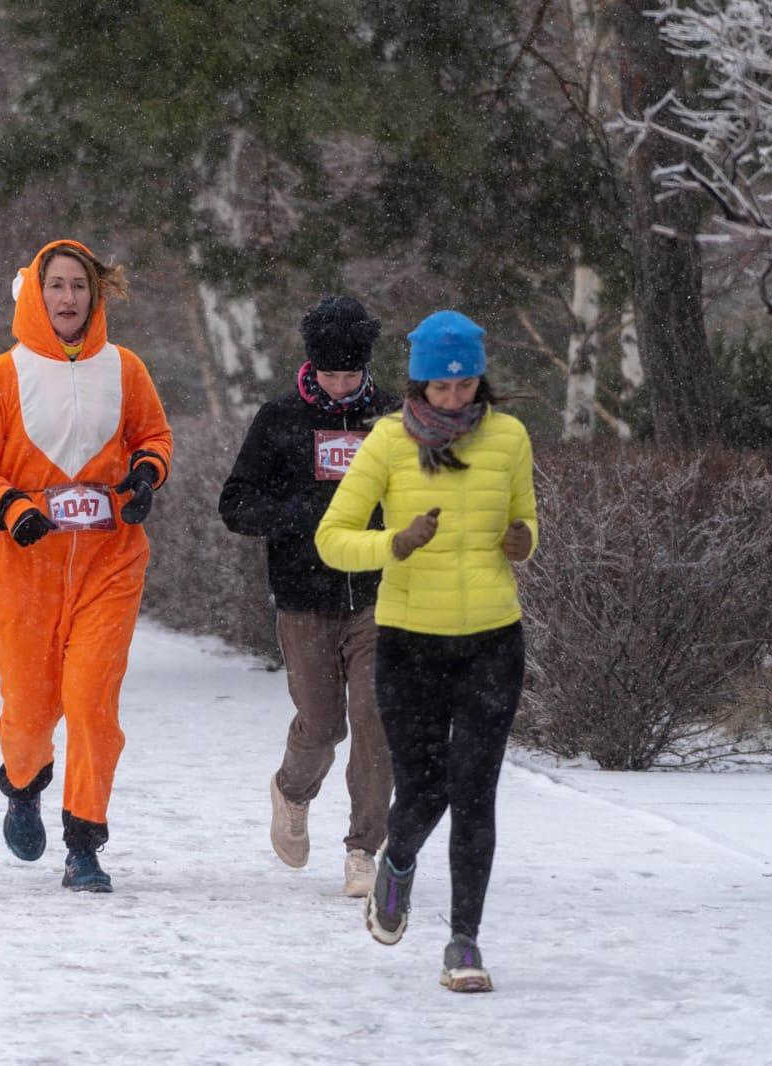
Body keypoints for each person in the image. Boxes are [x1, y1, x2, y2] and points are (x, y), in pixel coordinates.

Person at [315, 309, 538, 994]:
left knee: (475, 791)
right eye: (440, 389)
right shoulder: (385, 443)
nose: (453, 398)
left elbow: (525, 518)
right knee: (425, 787)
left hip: (491, 640)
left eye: (465, 385)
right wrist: (393, 545)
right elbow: (333, 537)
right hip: (410, 642)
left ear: (480, 378)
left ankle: (463, 942)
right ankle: (399, 861)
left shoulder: (508, 437)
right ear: (416, 385)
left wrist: (522, 539)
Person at [0, 239, 173, 894]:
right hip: (25, 568)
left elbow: (152, 436)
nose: (69, 298)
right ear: (35, 294)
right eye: (57, 286)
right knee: (29, 708)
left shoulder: (125, 368)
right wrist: (9, 507)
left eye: (79, 286)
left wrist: (144, 476)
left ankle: (84, 843)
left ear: (95, 293)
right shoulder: (1, 374)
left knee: (90, 700)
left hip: (110, 562)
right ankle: (22, 787)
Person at [218, 296, 398, 897]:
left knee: (376, 722)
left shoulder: (394, 420)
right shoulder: (280, 420)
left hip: (381, 595)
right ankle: (292, 791)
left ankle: (363, 849)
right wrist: (300, 515)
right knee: (323, 726)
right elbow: (235, 504)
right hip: (305, 596)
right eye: (331, 374)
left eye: (352, 374)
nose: (342, 385)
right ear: (310, 365)